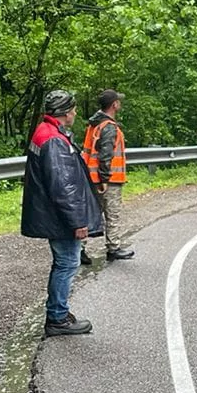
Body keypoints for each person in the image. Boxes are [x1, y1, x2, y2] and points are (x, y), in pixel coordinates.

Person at [21, 90, 103, 337]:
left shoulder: (46, 132)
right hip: (58, 216)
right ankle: (57, 317)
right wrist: (78, 221)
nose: (76, 113)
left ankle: (59, 312)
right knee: (67, 263)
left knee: (64, 262)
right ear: (65, 112)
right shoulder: (54, 140)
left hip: (51, 213)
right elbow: (63, 186)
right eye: (73, 109)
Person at [83, 90, 134, 262]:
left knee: (90, 213)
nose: (120, 103)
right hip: (107, 180)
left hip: (91, 177)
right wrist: (104, 178)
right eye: (118, 101)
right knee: (112, 213)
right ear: (114, 105)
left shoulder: (95, 124)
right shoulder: (109, 127)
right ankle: (113, 248)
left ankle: (79, 249)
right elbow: (105, 155)